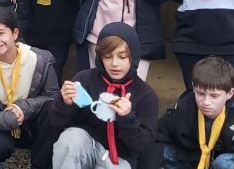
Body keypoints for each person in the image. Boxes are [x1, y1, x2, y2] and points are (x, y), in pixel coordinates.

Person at [49, 22, 159, 169]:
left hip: (120, 157)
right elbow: (56, 124)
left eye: (122, 57)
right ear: (100, 57)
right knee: (70, 139)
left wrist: (127, 118)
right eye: (108, 56)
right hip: (86, 144)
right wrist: (63, 104)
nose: (114, 63)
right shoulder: (84, 79)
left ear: (133, 57)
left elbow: (144, 147)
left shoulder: (146, 95)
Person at [0, 7, 59, 169]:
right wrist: (8, 118)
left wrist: (24, 108)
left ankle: (41, 164)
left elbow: (52, 97)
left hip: (32, 124)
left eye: (0, 33)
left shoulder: (40, 60)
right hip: (1, 127)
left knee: (52, 111)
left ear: (15, 34)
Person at [157, 56, 234, 168]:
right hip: (203, 156)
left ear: (230, 93)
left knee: (224, 163)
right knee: (164, 152)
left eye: (214, 96)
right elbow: (158, 134)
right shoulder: (185, 106)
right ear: (193, 88)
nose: (206, 102)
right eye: (201, 94)